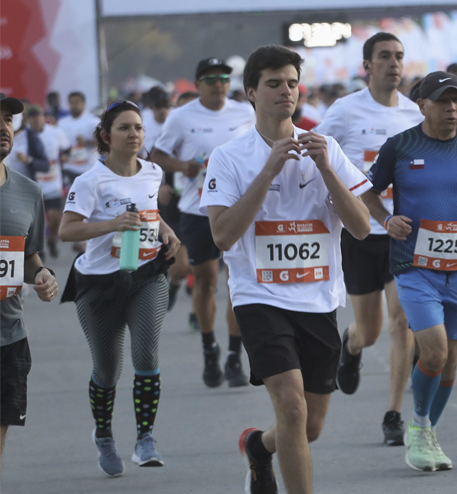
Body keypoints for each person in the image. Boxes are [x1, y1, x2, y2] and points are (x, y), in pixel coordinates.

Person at [204, 46, 371, 494]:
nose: (286, 91)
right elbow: (222, 236)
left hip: (317, 300)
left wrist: (326, 170)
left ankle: (260, 448)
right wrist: (268, 169)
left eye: (292, 83)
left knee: (308, 426)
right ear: (251, 92)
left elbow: (360, 228)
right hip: (259, 298)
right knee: (292, 410)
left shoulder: (326, 149)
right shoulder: (229, 156)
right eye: (274, 83)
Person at [362, 70, 457, 472]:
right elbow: (366, 190)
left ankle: (425, 429)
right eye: (443, 102)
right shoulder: (400, 145)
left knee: (449, 361)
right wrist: (385, 219)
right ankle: (419, 427)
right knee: (434, 350)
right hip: (413, 268)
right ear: (422, 106)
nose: (452, 109)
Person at [59, 100, 182, 475]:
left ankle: (145, 439)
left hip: (146, 275)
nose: (134, 134)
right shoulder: (90, 181)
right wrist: (111, 225)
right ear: (105, 136)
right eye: (125, 128)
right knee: (108, 369)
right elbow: (67, 230)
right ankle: (104, 435)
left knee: (146, 355)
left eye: (139, 128)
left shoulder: (153, 171)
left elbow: (148, 210)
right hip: (99, 283)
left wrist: (164, 229)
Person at [314, 32, 422, 446]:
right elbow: (318, 152)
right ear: (367, 66)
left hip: (403, 232)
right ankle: (352, 346)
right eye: (384, 57)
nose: (393, 63)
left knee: (402, 324)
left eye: (399, 56)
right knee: (371, 330)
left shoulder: (414, 113)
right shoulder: (344, 111)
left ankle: (393, 413)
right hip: (361, 233)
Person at [151, 57, 256, 388]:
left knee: (237, 285)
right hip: (198, 210)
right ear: (197, 85)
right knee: (207, 281)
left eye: (224, 78)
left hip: (238, 210)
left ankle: (234, 356)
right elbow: (157, 156)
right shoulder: (181, 117)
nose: (218, 84)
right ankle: (210, 349)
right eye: (210, 78)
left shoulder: (245, 112)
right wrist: (184, 168)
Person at [0, 95, 59, 474]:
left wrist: (42, 274)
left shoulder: (27, 191)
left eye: (7, 120)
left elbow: (29, 254)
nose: (3, 127)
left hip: (7, 334)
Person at [140, 88, 190, 311]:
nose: (163, 112)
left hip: (192, 197)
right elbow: (143, 164)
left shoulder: (182, 125)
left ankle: (178, 284)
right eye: (159, 108)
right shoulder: (145, 129)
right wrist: (159, 186)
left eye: (166, 107)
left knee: (189, 266)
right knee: (175, 259)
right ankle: (170, 281)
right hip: (166, 196)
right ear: (152, 109)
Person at [5, 105, 70, 260]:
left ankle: (52, 239)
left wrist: (28, 160)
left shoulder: (41, 135)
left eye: (38, 116)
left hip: (51, 183)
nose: (35, 120)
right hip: (23, 189)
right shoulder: (8, 136)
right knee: (29, 223)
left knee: (54, 219)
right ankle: (35, 251)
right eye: (31, 117)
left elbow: (48, 162)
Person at [58, 91, 101, 192]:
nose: (74, 105)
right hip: (69, 168)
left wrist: (86, 142)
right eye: (72, 103)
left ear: (83, 104)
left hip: (88, 168)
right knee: (71, 200)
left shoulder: (93, 121)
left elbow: (104, 142)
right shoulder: (62, 123)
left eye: (77, 102)